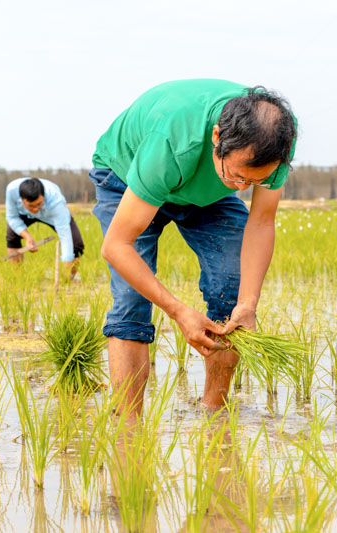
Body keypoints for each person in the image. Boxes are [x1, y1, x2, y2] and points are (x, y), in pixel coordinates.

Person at [90, 79, 297, 418]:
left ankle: (213, 418)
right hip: (127, 176)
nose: (244, 188)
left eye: (255, 181)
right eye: (237, 177)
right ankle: (128, 432)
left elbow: (260, 221)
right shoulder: (172, 141)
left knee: (233, 296)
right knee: (131, 303)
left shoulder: (276, 140)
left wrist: (247, 303)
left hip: (205, 192)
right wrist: (178, 311)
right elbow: (116, 246)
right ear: (217, 138)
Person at [5, 177, 85, 279]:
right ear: (22, 200)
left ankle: (68, 279)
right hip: (24, 214)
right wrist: (27, 236)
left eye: (39, 204)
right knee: (12, 236)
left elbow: (65, 236)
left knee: (76, 243)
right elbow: (11, 217)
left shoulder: (56, 202)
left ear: (43, 197)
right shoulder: (12, 190)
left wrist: (67, 265)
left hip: (50, 214)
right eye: (31, 206)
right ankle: (18, 277)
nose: (35, 209)